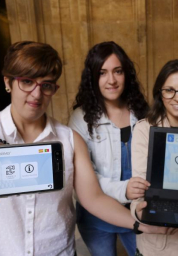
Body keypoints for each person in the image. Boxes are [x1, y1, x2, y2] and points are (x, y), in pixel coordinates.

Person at [0, 41, 172, 256]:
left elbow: (94, 198)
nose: (37, 94)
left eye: (46, 85)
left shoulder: (69, 139)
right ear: (8, 82)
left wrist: (142, 225)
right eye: (27, 82)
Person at [68, 41, 150, 256]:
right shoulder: (80, 119)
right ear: (93, 78)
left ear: (127, 75)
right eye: (102, 73)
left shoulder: (143, 112)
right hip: (96, 215)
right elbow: (86, 176)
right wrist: (123, 190)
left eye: (118, 71)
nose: (111, 80)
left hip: (137, 208)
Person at [130, 59, 178, 256]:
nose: (177, 97)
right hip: (158, 244)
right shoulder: (144, 129)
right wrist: (138, 210)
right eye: (169, 90)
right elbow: (139, 188)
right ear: (160, 94)